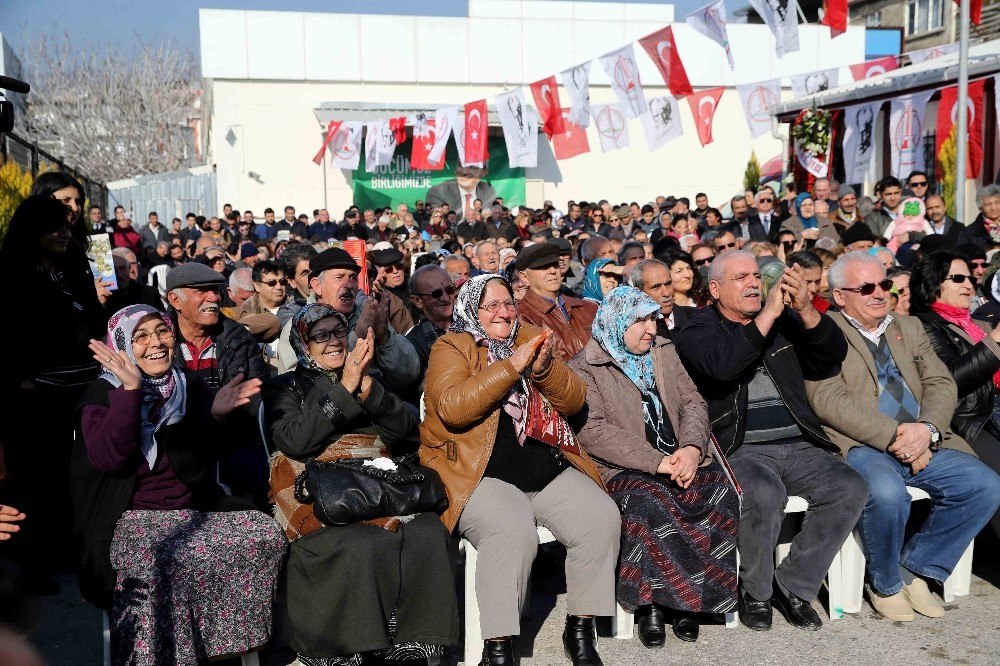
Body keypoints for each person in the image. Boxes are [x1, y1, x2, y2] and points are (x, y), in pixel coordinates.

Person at [419, 274, 620, 666]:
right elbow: (454, 409)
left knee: (601, 518)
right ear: (471, 309)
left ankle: (580, 628)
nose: (503, 312)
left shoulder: (531, 334)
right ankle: (498, 647)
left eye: (508, 303)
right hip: (478, 472)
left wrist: (545, 369)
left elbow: (575, 400)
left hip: (543, 466)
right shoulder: (453, 346)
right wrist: (511, 367)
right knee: (510, 531)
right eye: (490, 305)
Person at [72, 305, 285, 661]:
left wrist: (215, 417)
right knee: (157, 561)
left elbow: (201, 461)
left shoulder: (187, 384)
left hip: (192, 507)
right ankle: (158, 655)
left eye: (162, 331)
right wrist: (130, 391)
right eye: (140, 336)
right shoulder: (101, 395)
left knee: (264, 535)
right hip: (129, 518)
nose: (155, 343)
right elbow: (112, 460)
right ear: (121, 344)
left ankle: (224, 646)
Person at [674, 250, 867, 632]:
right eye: (741, 277)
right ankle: (756, 591)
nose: (753, 283)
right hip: (740, 445)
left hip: (799, 441)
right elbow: (721, 366)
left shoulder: (785, 321)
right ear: (714, 289)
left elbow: (832, 355)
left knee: (850, 486)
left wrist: (807, 310)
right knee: (762, 494)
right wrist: (767, 317)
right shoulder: (697, 328)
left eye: (755, 275)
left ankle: (793, 585)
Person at [807, 252, 1000, 621]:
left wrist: (926, 431)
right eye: (866, 287)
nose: (879, 293)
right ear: (839, 296)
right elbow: (827, 399)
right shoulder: (823, 333)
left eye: (885, 284)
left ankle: (916, 568)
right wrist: (898, 437)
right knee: (886, 493)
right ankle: (886, 583)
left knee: (984, 485)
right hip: (864, 443)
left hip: (924, 435)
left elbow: (940, 382)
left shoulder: (907, 327)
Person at [264, 304, 458, 664]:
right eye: (320, 335)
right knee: (361, 542)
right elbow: (294, 441)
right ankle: (347, 648)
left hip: (377, 482)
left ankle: (414, 644)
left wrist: (369, 390)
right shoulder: (285, 386)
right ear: (303, 343)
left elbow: (407, 435)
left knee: (428, 532)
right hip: (321, 488)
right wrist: (344, 388)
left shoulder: (372, 377)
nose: (333, 342)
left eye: (338, 332)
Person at [569, 287, 738, 646]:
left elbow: (693, 400)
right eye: (639, 321)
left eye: (652, 318)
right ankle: (651, 606)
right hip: (625, 466)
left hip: (679, 455)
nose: (650, 329)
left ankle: (691, 603)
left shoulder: (663, 351)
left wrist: (691, 449)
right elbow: (594, 431)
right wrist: (657, 462)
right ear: (617, 324)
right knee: (650, 501)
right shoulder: (585, 366)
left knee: (718, 492)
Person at [0, 195, 110, 594]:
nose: (65, 233)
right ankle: (30, 565)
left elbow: (92, 322)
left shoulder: (74, 267)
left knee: (77, 476)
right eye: (55, 226)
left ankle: (74, 556)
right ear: (33, 230)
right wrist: (21, 379)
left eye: (67, 225)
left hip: (80, 390)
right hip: (33, 398)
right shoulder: (11, 274)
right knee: (34, 479)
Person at [908, 251, 1000, 538]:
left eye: (971, 279)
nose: (969, 285)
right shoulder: (923, 326)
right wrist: (995, 340)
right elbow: (949, 380)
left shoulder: (975, 324)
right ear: (934, 283)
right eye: (958, 278)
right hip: (964, 420)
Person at [516, 243, 598, 360]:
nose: (553, 271)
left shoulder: (588, 308)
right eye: (543, 267)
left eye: (555, 264)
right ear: (524, 277)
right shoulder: (522, 317)